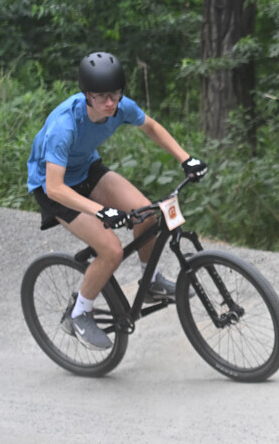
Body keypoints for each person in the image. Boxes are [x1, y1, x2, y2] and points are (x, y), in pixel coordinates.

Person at [26, 52, 208, 350]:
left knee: (146, 213)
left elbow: (151, 126)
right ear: (87, 96)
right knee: (110, 250)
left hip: (87, 170)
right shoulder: (64, 126)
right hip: (53, 188)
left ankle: (151, 282)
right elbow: (55, 187)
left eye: (115, 94)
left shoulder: (121, 107)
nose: (110, 103)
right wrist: (102, 211)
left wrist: (186, 159)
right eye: (101, 97)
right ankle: (80, 313)